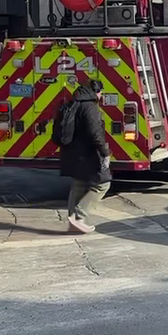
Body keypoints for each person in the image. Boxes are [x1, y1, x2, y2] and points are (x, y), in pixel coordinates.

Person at [58, 79, 111, 234]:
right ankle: (79, 217)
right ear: (97, 92)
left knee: (79, 184)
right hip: (87, 153)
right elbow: (95, 134)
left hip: (72, 152)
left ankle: (73, 222)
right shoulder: (90, 107)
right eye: (101, 93)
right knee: (103, 183)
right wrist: (105, 152)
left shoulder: (73, 103)